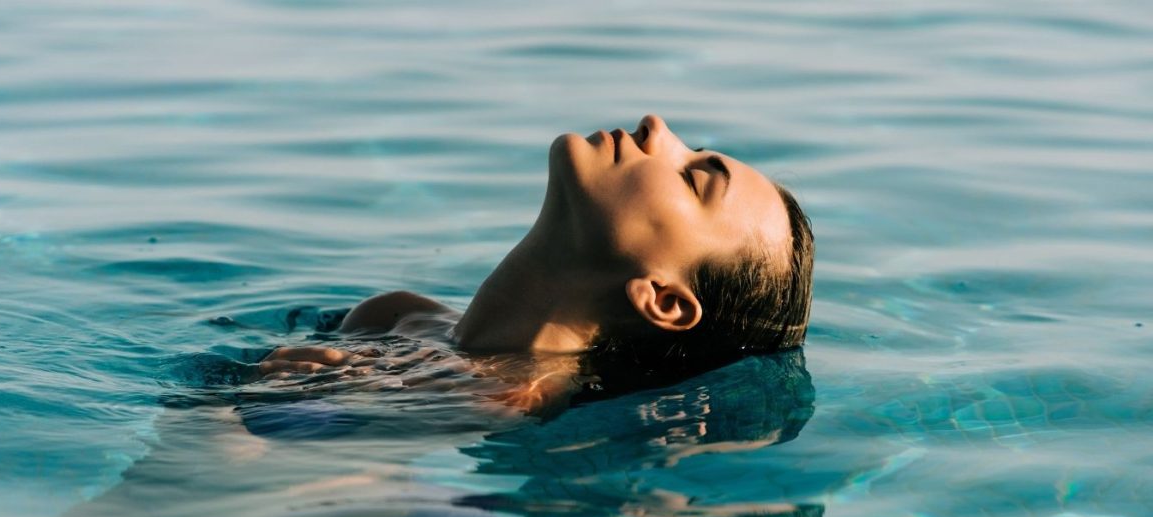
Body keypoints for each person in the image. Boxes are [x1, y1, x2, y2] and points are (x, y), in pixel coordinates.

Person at [257, 114, 814, 409]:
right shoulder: (394, 315)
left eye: (693, 177)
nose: (656, 127)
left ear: (662, 299)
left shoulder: (504, 399)